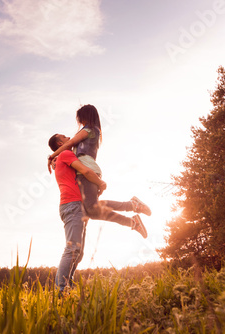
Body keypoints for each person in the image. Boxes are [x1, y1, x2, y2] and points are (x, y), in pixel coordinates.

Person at [48, 105, 151, 236]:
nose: (78, 120)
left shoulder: (89, 129)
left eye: (79, 117)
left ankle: (132, 212)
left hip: (87, 171)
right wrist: (55, 159)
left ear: (85, 116)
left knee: (91, 210)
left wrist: (50, 157)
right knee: (92, 208)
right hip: (87, 170)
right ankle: (132, 210)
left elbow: (68, 144)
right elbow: (67, 151)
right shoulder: (90, 130)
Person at [49, 134, 106, 292]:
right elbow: (86, 171)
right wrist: (101, 183)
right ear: (60, 143)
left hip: (76, 205)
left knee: (78, 253)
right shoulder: (66, 154)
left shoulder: (63, 157)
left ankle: (68, 286)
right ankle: (61, 291)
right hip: (72, 205)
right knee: (72, 249)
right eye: (64, 137)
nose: (69, 137)